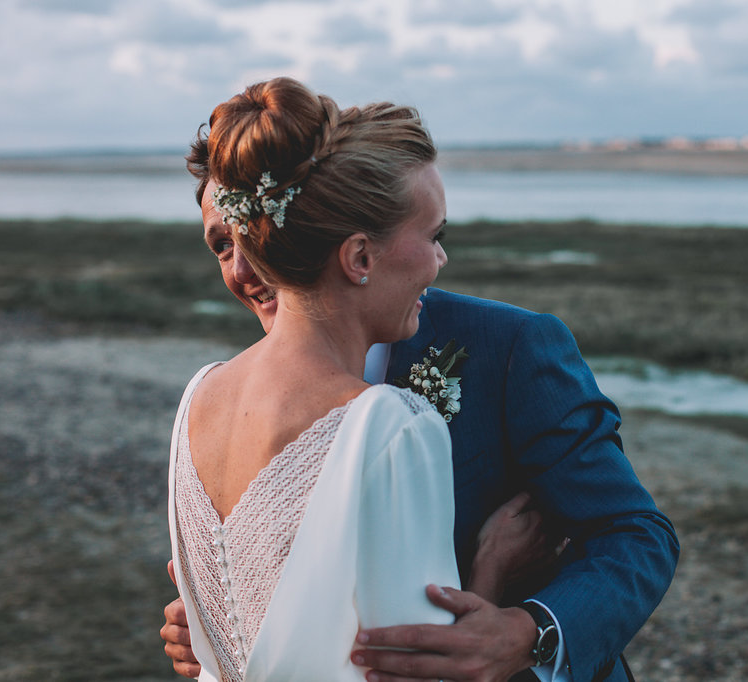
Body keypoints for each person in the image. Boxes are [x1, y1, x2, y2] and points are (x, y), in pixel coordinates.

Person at [163, 78, 680, 682]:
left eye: (252, 234)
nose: (249, 267)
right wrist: (216, 623)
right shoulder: (232, 397)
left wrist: (529, 631)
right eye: (223, 244)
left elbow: (635, 533)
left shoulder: (509, 347)